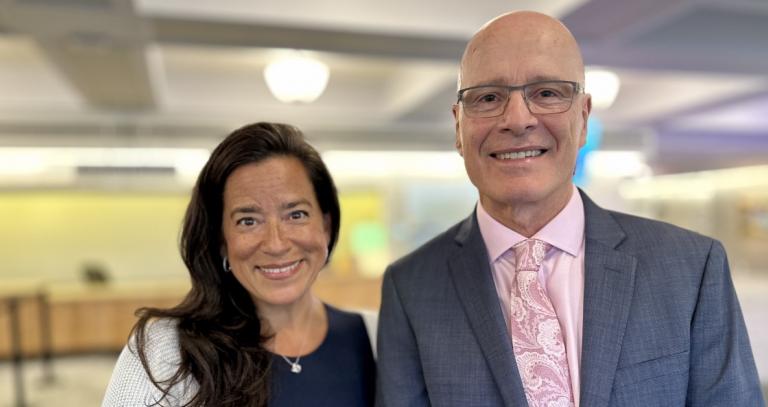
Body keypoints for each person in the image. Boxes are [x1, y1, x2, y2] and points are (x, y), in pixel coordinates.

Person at [376, 10, 764, 407]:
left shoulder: (691, 269)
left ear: (583, 118)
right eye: (488, 97)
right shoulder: (411, 289)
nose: (517, 119)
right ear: (458, 128)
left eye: (546, 93)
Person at [102, 122, 375, 407]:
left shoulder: (379, 336)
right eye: (248, 221)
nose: (276, 244)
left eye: (296, 214)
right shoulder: (163, 351)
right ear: (221, 239)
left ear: (326, 226)